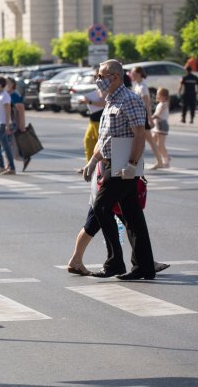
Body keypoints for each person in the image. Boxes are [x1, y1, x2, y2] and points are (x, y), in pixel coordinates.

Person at [82, 59, 156, 280]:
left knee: (101, 206)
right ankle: (144, 267)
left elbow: (139, 135)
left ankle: (115, 263)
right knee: (132, 216)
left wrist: (132, 165)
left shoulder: (129, 100)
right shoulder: (110, 101)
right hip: (109, 164)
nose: (98, 80)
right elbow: (103, 139)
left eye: (102, 76)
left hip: (122, 165)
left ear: (115, 77)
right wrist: (92, 161)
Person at [130, 66, 161, 166]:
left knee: (149, 140)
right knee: (147, 140)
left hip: (143, 115)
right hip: (138, 115)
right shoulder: (137, 85)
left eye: (134, 73)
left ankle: (159, 161)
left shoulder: (143, 87)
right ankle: (159, 161)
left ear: (139, 74)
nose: (132, 75)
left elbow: (147, 103)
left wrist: (150, 118)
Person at [6, 77, 30, 171]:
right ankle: (24, 158)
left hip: (13, 123)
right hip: (7, 122)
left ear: (13, 85)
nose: (6, 85)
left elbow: (21, 110)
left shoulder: (15, 95)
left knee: (9, 145)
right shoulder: (6, 94)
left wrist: (22, 125)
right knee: (12, 145)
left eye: (8, 83)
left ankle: (10, 165)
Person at [149, 88, 171, 169]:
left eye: (159, 94)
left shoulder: (164, 104)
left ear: (164, 97)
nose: (157, 96)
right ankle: (164, 157)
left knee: (160, 145)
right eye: (157, 94)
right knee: (153, 143)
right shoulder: (160, 103)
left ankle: (166, 160)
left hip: (162, 125)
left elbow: (157, 114)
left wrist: (150, 118)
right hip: (157, 125)